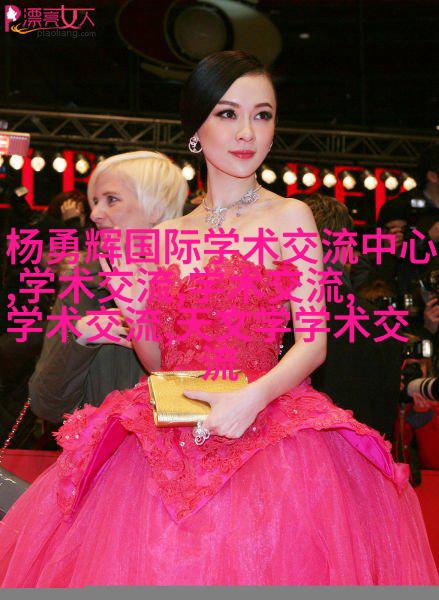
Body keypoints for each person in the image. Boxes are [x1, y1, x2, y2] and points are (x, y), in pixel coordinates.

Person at [0, 51, 437, 587]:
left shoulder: (289, 216)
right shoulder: (166, 236)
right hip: (169, 432)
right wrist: (136, 315)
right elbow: (160, 363)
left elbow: (313, 344)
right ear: (196, 128)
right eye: (228, 113)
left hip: (267, 430)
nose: (247, 132)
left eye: (262, 115)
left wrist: (249, 399)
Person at [28, 151, 188, 423]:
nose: (95, 214)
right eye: (95, 202)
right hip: (99, 448)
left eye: (111, 200)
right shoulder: (84, 285)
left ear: (156, 208)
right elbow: (45, 403)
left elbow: (209, 399)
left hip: (177, 447)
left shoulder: (199, 285)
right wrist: (80, 337)